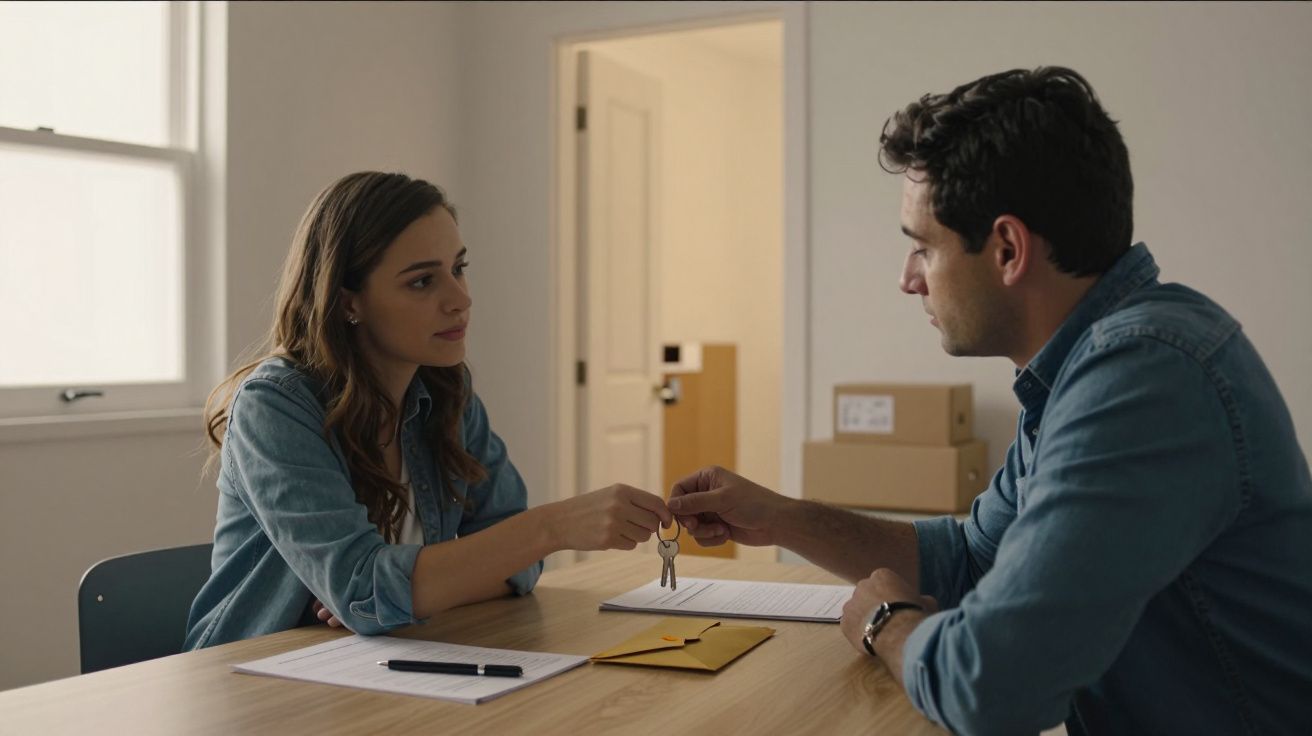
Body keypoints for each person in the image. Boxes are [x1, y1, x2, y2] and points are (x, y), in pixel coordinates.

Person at [668, 67, 1312, 734]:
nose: (908, 279)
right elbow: (974, 560)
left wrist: (888, 626)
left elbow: (994, 690)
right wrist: (780, 517)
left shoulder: (1145, 376)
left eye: (923, 247)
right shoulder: (1088, 364)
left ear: (1007, 248)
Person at [185, 172, 671, 649]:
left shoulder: (445, 391)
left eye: (458, 268)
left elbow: (519, 567)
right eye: (422, 282)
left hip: (373, 667)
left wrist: (405, 592)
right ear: (348, 302)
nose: (461, 299)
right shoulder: (275, 406)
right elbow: (366, 593)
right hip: (254, 678)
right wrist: (550, 528)